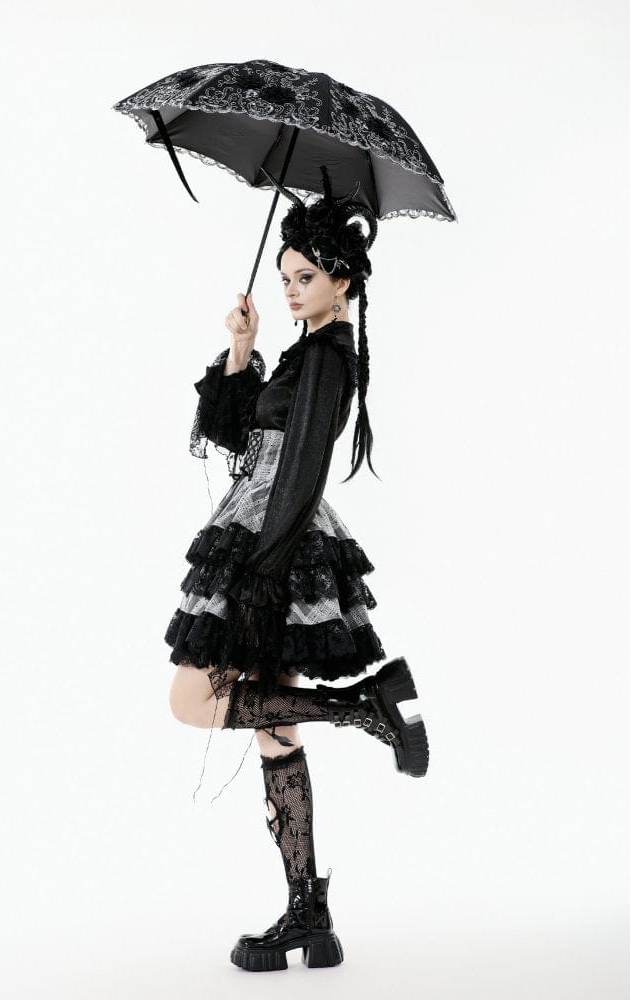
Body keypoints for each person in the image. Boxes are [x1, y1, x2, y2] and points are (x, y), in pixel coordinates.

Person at [165, 165, 430, 972]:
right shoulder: (306, 350)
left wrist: (262, 571)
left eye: (304, 277)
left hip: (272, 536)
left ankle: (362, 706)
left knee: (191, 700)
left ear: (342, 280)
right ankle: (309, 917)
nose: (289, 289)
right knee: (274, 727)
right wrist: (243, 347)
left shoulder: (327, 357)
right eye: (284, 278)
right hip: (267, 527)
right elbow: (234, 432)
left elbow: (303, 464)